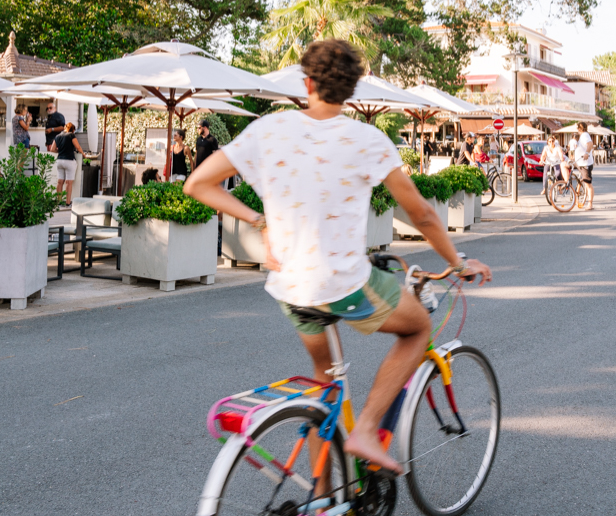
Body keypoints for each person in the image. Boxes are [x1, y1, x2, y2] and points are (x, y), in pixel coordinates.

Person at [183, 38, 492, 474]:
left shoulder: (269, 130)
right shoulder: (366, 139)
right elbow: (421, 213)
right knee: (418, 328)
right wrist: (457, 263)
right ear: (352, 90)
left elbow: (197, 184)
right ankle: (366, 430)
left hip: (290, 287)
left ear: (305, 82)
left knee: (323, 382)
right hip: (342, 283)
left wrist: (260, 221)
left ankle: (322, 505)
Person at [52, 121, 86, 203]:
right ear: (73, 130)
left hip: (59, 161)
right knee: (68, 182)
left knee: (60, 182)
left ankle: (59, 202)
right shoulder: (71, 135)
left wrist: (60, 151)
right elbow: (77, 147)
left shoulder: (57, 136)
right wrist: (83, 154)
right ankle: (67, 203)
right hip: (69, 161)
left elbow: (52, 149)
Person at [572, 127, 595, 207]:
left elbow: (590, 144)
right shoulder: (582, 136)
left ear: (579, 129)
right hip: (580, 162)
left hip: (585, 163)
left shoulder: (585, 135)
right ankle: (568, 185)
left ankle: (590, 203)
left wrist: (587, 153)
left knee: (588, 184)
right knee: (565, 165)